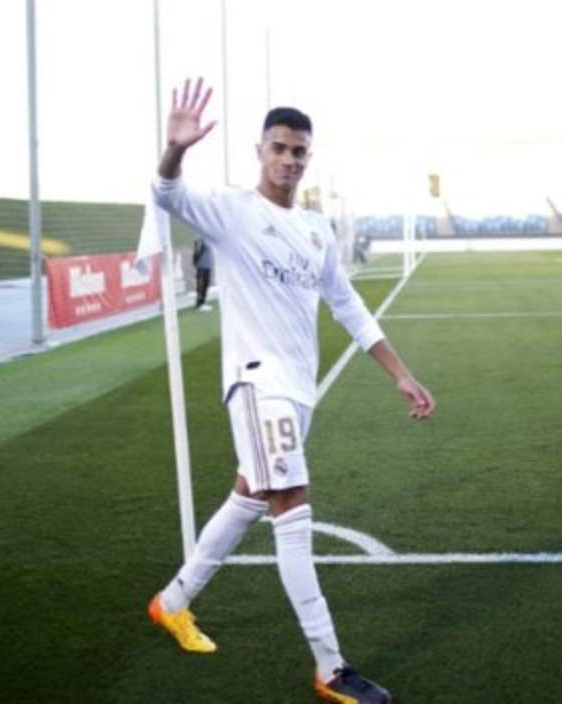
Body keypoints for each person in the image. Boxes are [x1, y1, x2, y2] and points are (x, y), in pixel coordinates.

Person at [146, 77, 434, 704]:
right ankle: (331, 668)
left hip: (297, 390)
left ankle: (172, 603)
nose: (289, 159)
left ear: (309, 156)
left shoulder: (314, 228)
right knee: (293, 509)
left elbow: (348, 305)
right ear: (260, 151)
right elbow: (164, 192)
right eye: (278, 148)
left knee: (248, 497)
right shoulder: (230, 212)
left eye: (299, 151)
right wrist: (176, 149)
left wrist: (400, 373)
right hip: (256, 384)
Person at [191, 237, 213, 310]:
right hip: (202, 265)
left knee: (205, 284)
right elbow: (197, 249)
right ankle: (199, 304)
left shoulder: (208, 236)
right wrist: (196, 261)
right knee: (201, 284)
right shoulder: (200, 237)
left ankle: (202, 302)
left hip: (207, 264)